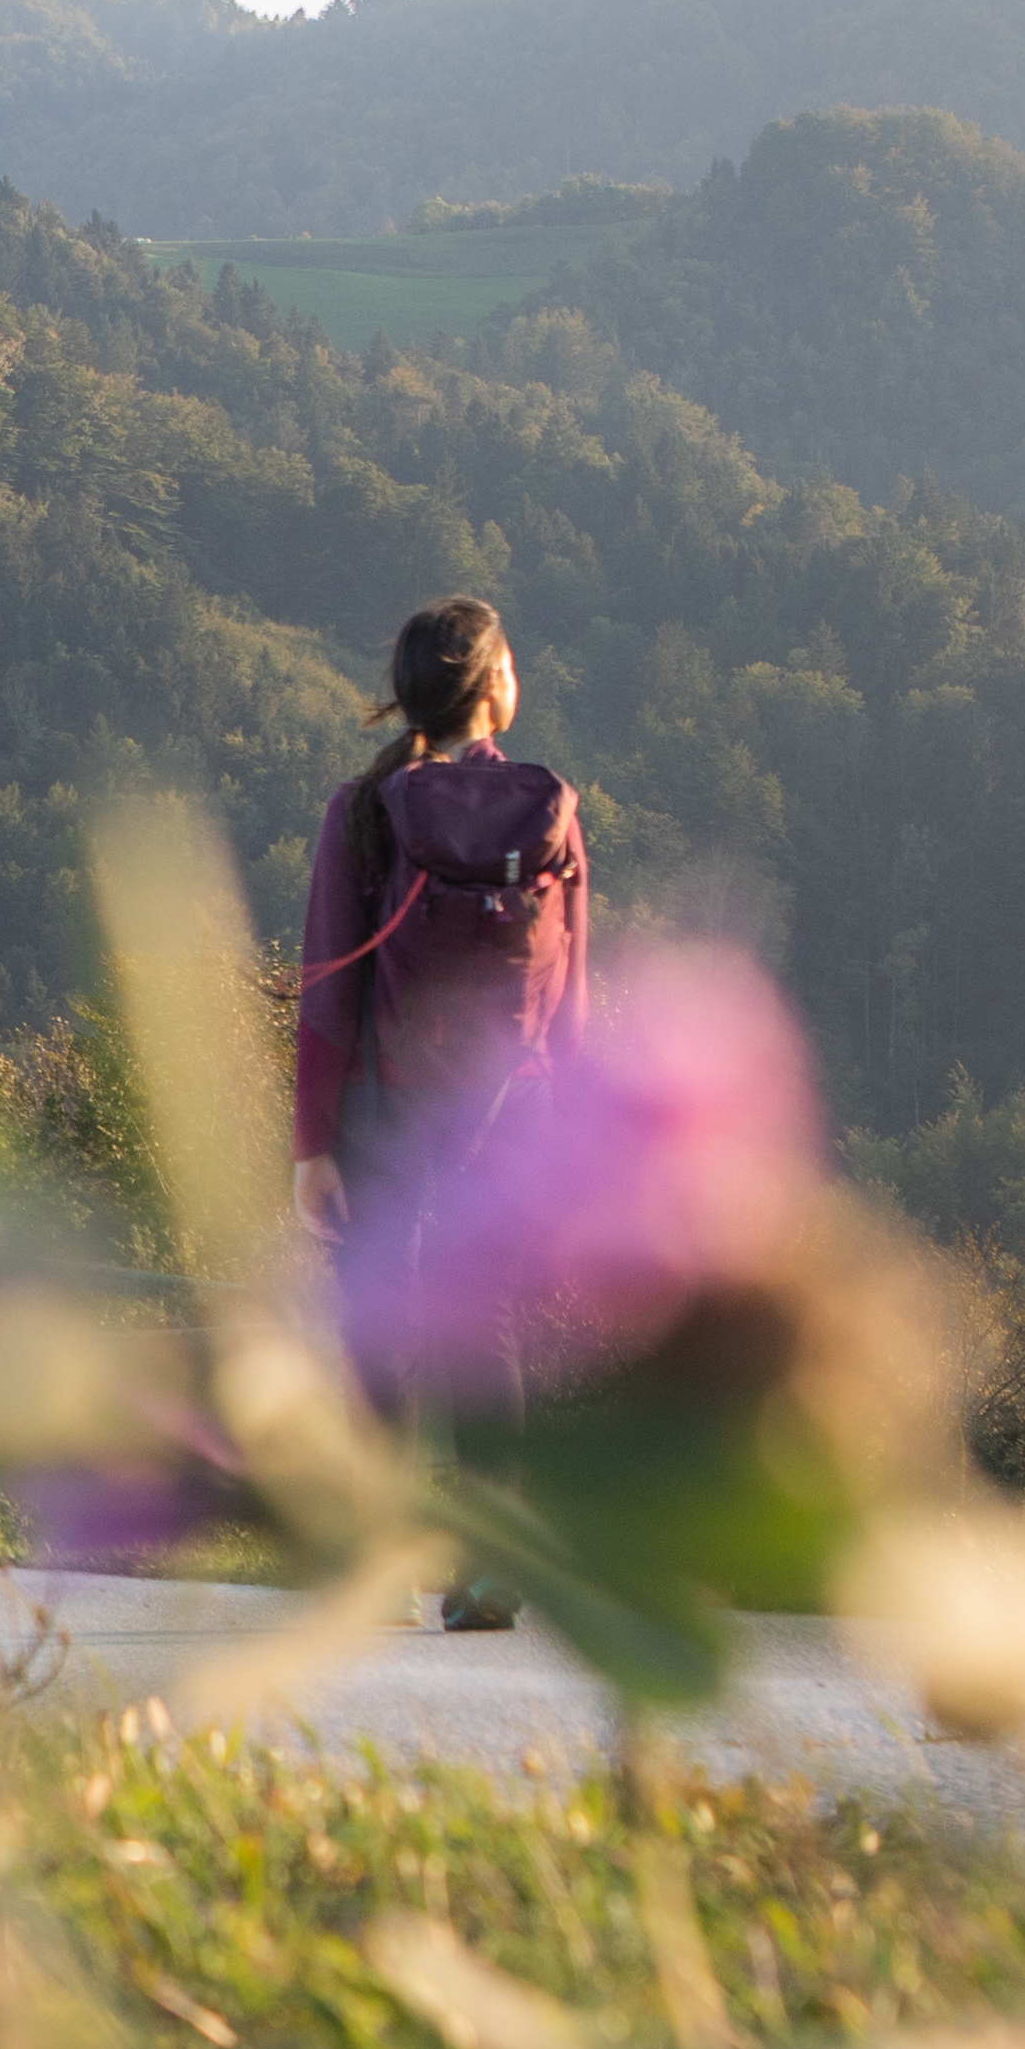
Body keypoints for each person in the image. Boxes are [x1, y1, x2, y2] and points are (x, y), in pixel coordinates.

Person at [289, 594, 590, 1631]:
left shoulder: (366, 809)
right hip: (512, 1108)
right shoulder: (547, 811)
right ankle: (490, 1559)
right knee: (485, 1320)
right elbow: (571, 991)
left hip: (382, 1099)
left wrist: (310, 1146)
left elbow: (328, 987)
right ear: (494, 684)